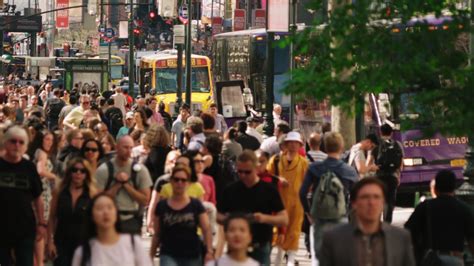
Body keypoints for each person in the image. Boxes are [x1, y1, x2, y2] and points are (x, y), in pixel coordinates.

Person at [319, 177, 416, 266]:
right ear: (354, 203)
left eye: (376, 197)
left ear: (383, 203)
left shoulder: (400, 237)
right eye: (365, 197)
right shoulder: (333, 238)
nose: (371, 202)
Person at [218, 150, 288, 265]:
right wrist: (231, 221)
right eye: (239, 172)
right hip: (235, 247)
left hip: (260, 246)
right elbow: (218, 215)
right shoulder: (230, 190)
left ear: (256, 168)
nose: (243, 175)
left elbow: (284, 219)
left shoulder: (269, 190)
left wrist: (263, 218)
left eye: (247, 172)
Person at [299, 132, 358, 262]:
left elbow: (302, 193)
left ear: (325, 146)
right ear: (341, 147)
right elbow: (357, 198)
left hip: (319, 218)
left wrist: (308, 213)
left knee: (320, 257)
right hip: (340, 217)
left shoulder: (314, 168)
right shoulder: (349, 171)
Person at [405, 170, 474, 265]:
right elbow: (471, 239)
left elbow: (408, 232)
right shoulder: (464, 209)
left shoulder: (425, 207)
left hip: (430, 259)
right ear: (454, 188)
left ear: (435, 188)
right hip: (455, 259)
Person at [0, 126, 46, 266]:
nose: (17, 145)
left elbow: (38, 198)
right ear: (5, 143)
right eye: (13, 141)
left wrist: (41, 223)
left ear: (26, 146)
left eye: (21, 142)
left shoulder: (29, 167)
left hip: (25, 228)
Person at [150, 165, 214, 265]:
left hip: (192, 254)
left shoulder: (195, 205)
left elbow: (206, 229)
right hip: (168, 253)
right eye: (176, 179)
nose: (179, 183)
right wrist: (151, 255)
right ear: (171, 181)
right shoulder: (162, 206)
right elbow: (157, 234)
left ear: (188, 183)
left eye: (183, 180)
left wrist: (209, 251)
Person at [71, 193, 152, 266]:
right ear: (91, 216)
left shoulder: (133, 243)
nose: (105, 212)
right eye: (99, 208)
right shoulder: (83, 252)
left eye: (110, 207)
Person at [95, 135, 153, 234]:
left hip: (131, 220)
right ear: (117, 147)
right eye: (125, 147)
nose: (128, 151)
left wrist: (126, 185)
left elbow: (145, 200)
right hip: (108, 220)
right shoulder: (104, 170)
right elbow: (97, 199)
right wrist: (117, 185)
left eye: (131, 147)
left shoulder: (140, 170)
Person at [267, 131, 308, 266]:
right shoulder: (276, 160)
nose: (293, 145)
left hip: (297, 204)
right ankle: (279, 257)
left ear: (299, 145)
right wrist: (277, 179)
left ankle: (290, 259)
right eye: (290, 142)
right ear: (285, 144)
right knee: (278, 231)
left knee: (294, 231)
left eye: (296, 143)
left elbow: (308, 184)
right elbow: (267, 176)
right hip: (278, 202)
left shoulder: (303, 163)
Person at [47, 158, 98, 266]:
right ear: (69, 172)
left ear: (86, 174)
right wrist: (50, 241)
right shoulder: (59, 191)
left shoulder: (92, 194)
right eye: (74, 170)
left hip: (83, 244)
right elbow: (52, 217)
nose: (78, 173)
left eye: (82, 171)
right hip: (61, 242)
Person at [27, 129, 59, 266]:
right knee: (42, 229)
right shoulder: (41, 153)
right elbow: (41, 171)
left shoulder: (40, 153)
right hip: (43, 195)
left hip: (44, 194)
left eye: (51, 140)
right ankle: (40, 262)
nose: (49, 142)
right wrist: (56, 177)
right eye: (47, 139)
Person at [376, 123, 403, 223]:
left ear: (380, 132)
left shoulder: (377, 145)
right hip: (392, 177)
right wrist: (398, 176)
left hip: (378, 177)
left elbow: (371, 160)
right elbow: (400, 162)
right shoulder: (397, 144)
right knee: (389, 201)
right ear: (391, 133)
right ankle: (387, 223)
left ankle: (376, 223)